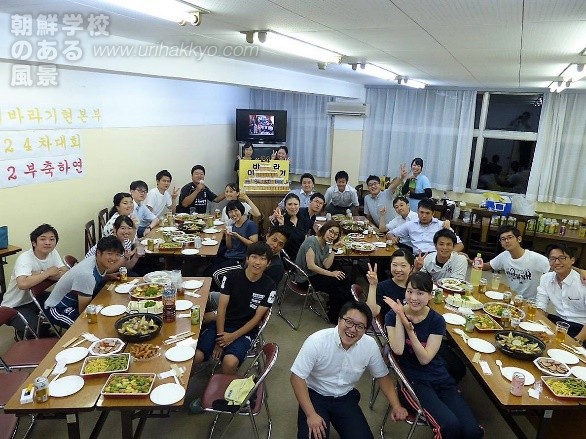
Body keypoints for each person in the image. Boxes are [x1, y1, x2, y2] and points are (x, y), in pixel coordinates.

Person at [384, 272, 484, 439]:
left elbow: (425, 358)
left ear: (430, 295)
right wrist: (401, 317)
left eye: (420, 293)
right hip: (414, 381)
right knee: (449, 426)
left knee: (472, 431)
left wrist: (411, 330)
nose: (414, 297)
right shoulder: (392, 315)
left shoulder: (437, 320)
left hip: (440, 376)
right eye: (410, 291)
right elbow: (399, 349)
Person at [290, 301, 408, 439]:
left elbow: (382, 376)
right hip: (316, 395)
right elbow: (296, 378)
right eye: (349, 322)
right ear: (339, 320)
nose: (352, 329)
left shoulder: (369, 345)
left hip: (344, 397)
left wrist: (396, 405)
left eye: (359, 326)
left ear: (365, 330)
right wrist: (311, 414)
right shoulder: (317, 341)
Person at [190, 242, 276, 400]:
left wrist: (232, 336)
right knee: (196, 356)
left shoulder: (269, 286)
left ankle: (220, 394)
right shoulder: (231, 277)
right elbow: (221, 309)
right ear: (247, 258)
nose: (257, 262)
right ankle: (185, 387)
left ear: (268, 263)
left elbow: (257, 319)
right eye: (254, 257)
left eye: (262, 259)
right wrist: (221, 338)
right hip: (221, 325)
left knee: (229, 362)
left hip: (244, 331)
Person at [1, 224, 67, 338]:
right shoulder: (25, 258)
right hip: (15, 305)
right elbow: (23, 284)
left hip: (35, 298)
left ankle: (40, 330)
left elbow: (64, 273)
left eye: (52, 239)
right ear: (34, 243)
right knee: (36, 330)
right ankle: (25, 333)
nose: (48, 242)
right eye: (43, 239)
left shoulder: (53, 252)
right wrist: (48, 273)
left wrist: (40, 274)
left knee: (66, 305)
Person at [45, 236, 124, 329]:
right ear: (98, 253)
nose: (114, 258)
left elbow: (95, 278)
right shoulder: (86, 275)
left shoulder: (98, 262)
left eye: (118, 254)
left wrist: (108, 276)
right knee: (85, 326)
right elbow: (84, 311)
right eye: (110, 253)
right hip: (59, 308)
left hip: (79, 301)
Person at [294, 220, 352, 324]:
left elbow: (327, 265)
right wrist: (332, 274)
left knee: (340, 285)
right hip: (305, 279)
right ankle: (345, 310)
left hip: (314, 275)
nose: (332, 236)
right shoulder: (311, 240)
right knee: (343, 281)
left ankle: (337, 313)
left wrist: (334, 249)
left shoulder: (325, 245)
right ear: (324, 229)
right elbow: (311, 266)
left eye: (336, 234)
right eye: (331, 231)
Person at [536, 244, 586, 345]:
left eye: (562, 258)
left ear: (572, 260)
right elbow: (540, 306)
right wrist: (538, 326)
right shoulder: (546, 278)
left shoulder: (583, 282)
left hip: (581, 328)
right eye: (553, 259)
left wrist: (577, 341)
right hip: (559, 323)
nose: (557, 262)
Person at [481, 225, 549, 299]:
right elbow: (487, 266)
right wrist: (470, 260)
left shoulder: (535, 258)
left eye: (510, 237)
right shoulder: (504, 255)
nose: (507, 241)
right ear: (501, 243)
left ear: (519, 239)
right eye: (503, 239)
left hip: (532, 302)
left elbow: (555, 272)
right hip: (513, 298)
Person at [388, 198, 463, 254]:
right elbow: (389, 233)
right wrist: (392, 237)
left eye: (427, 213)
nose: (424, 216)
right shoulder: (410, 224)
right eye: (421, 212)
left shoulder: (441, 225)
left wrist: (449, 255)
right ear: (417, 211)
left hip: (435, 257)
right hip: (417, 257)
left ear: (433, 213)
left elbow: (460, 244)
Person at [209, 200, 259, 275]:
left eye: (236, 210)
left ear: (241, 210)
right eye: (230, 212)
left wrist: (238, 236)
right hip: (230, 255)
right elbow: (229, 247)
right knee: (208, 267)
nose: (233, 214)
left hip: (240, 259)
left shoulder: (250, 225)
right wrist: (227, 236)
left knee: (214, 273)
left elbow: (254, 245)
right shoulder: (232, 225)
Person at [365, 249, 414, 320]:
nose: (398, 269)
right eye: (394, 265)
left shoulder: (416, 286)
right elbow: (372, 313)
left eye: (403, 266)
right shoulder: (382, 287)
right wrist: (373, 285)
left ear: (411, 267)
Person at [269, 193, 313, 259]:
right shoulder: (280, 220)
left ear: (299, 205)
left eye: (295, 204)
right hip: (289, 258)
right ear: (285, 206)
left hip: (304, 254)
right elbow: (277, 243)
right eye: (289, 204)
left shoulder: (303, 219)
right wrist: (281, 225)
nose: (293, 207)